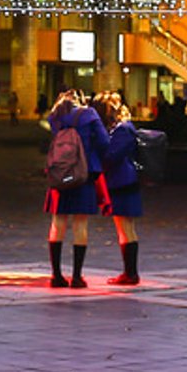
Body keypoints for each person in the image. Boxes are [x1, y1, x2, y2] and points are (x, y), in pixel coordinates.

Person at [44, 90, 109, 288]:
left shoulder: (55, 116)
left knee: (58, 222)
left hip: (61, 175)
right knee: (80, 224)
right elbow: (104, 142)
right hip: (84, 175)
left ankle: (56, 275)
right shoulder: (89, 115)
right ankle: (77, 277)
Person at [91, 92, 143, 285]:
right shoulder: (124, 128)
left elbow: (112, 156)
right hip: (124, 180)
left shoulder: (122, 130)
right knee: (125, 226)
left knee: (125, 226)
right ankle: (130, 272)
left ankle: (130, 273)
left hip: (122, 181)